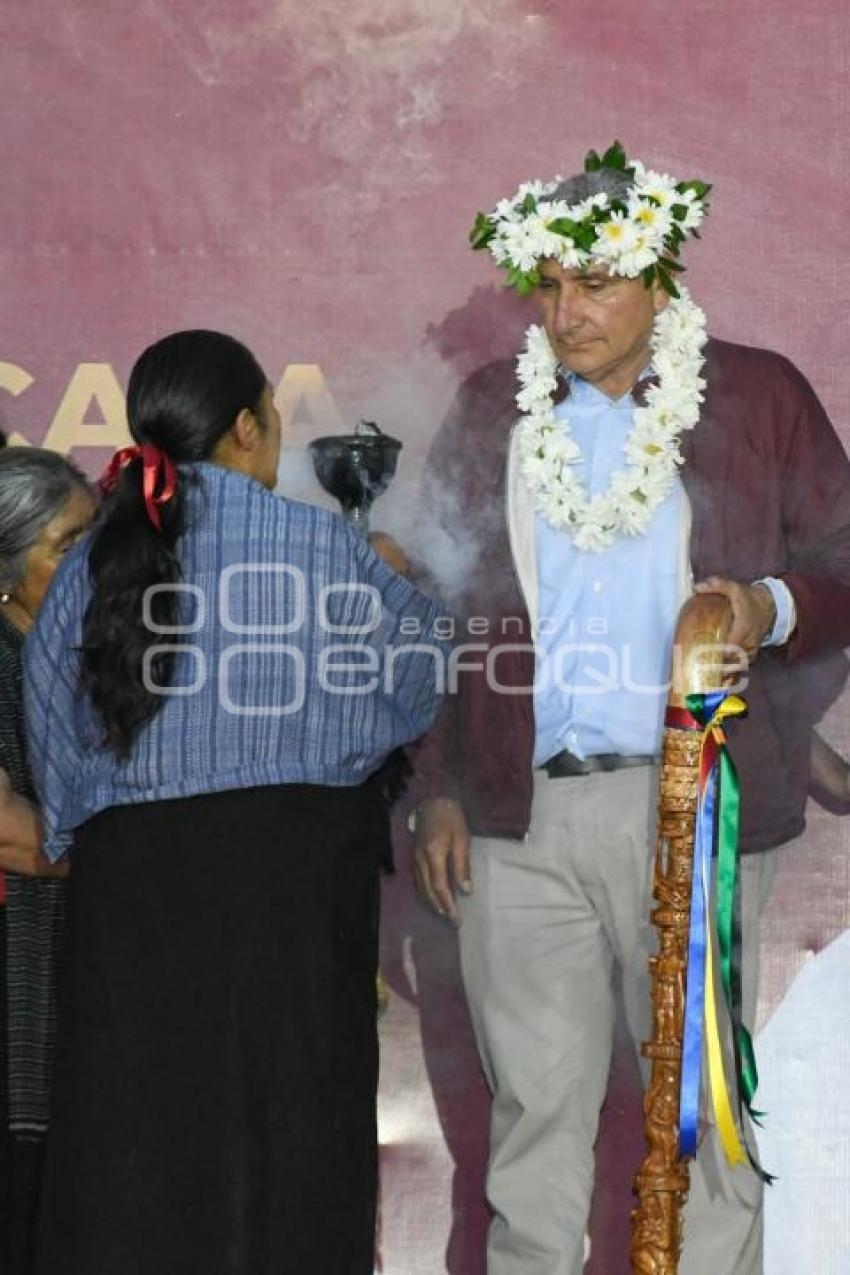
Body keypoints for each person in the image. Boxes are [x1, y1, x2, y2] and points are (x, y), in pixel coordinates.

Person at [411, 142, 850, 1274]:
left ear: (663, 275)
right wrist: (441, 790)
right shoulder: (488, 409)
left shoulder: (757, 396)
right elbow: (447, 611)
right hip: (522, 825)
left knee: (703, 1124)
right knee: (534, 1128)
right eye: (547, 286)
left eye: (596, 280)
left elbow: (844, 562)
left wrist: (765, 607)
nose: (567, 311)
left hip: (693, 807)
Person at [23, 330, 447, 1275]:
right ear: (248, 428)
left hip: (132, 895)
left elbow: (55, 741)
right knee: (295, 1143)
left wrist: (100, 812)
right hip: (292, 886)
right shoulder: (325, 549)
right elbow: (414, 682)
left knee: (135, 1148)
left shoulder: (91, 564)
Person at [0, 449, 95, 1275]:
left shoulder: (87, 665)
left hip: (88, 1018)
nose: (90, 563)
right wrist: (137, 857)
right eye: (69, 544)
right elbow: (13, 834)